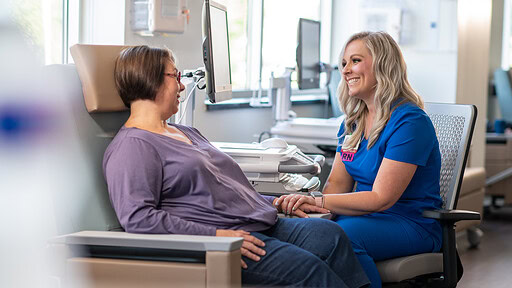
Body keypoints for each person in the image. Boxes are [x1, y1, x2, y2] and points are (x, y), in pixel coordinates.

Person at [103, 45, 369, 288]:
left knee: (331, 236)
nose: (182, 86)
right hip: (225, 239)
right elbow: (138, 218)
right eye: (176, 76)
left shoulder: (185, 131)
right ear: (151, 79)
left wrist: (274, 202)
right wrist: (217, 236)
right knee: (308, 269)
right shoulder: (133, 146)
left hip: (257, 221)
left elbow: (223, 188)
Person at [277, 31, 443, 288]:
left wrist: (316, 200)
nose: (345, 70)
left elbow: (381, 198)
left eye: (355, 61)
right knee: (303, 231)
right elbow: (336, 186)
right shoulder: (352, 122)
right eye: (344, 63)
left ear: (383, 64)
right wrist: (308, 209)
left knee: (342, 236)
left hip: (410, 222)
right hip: (363, 217)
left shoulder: (409, 122)